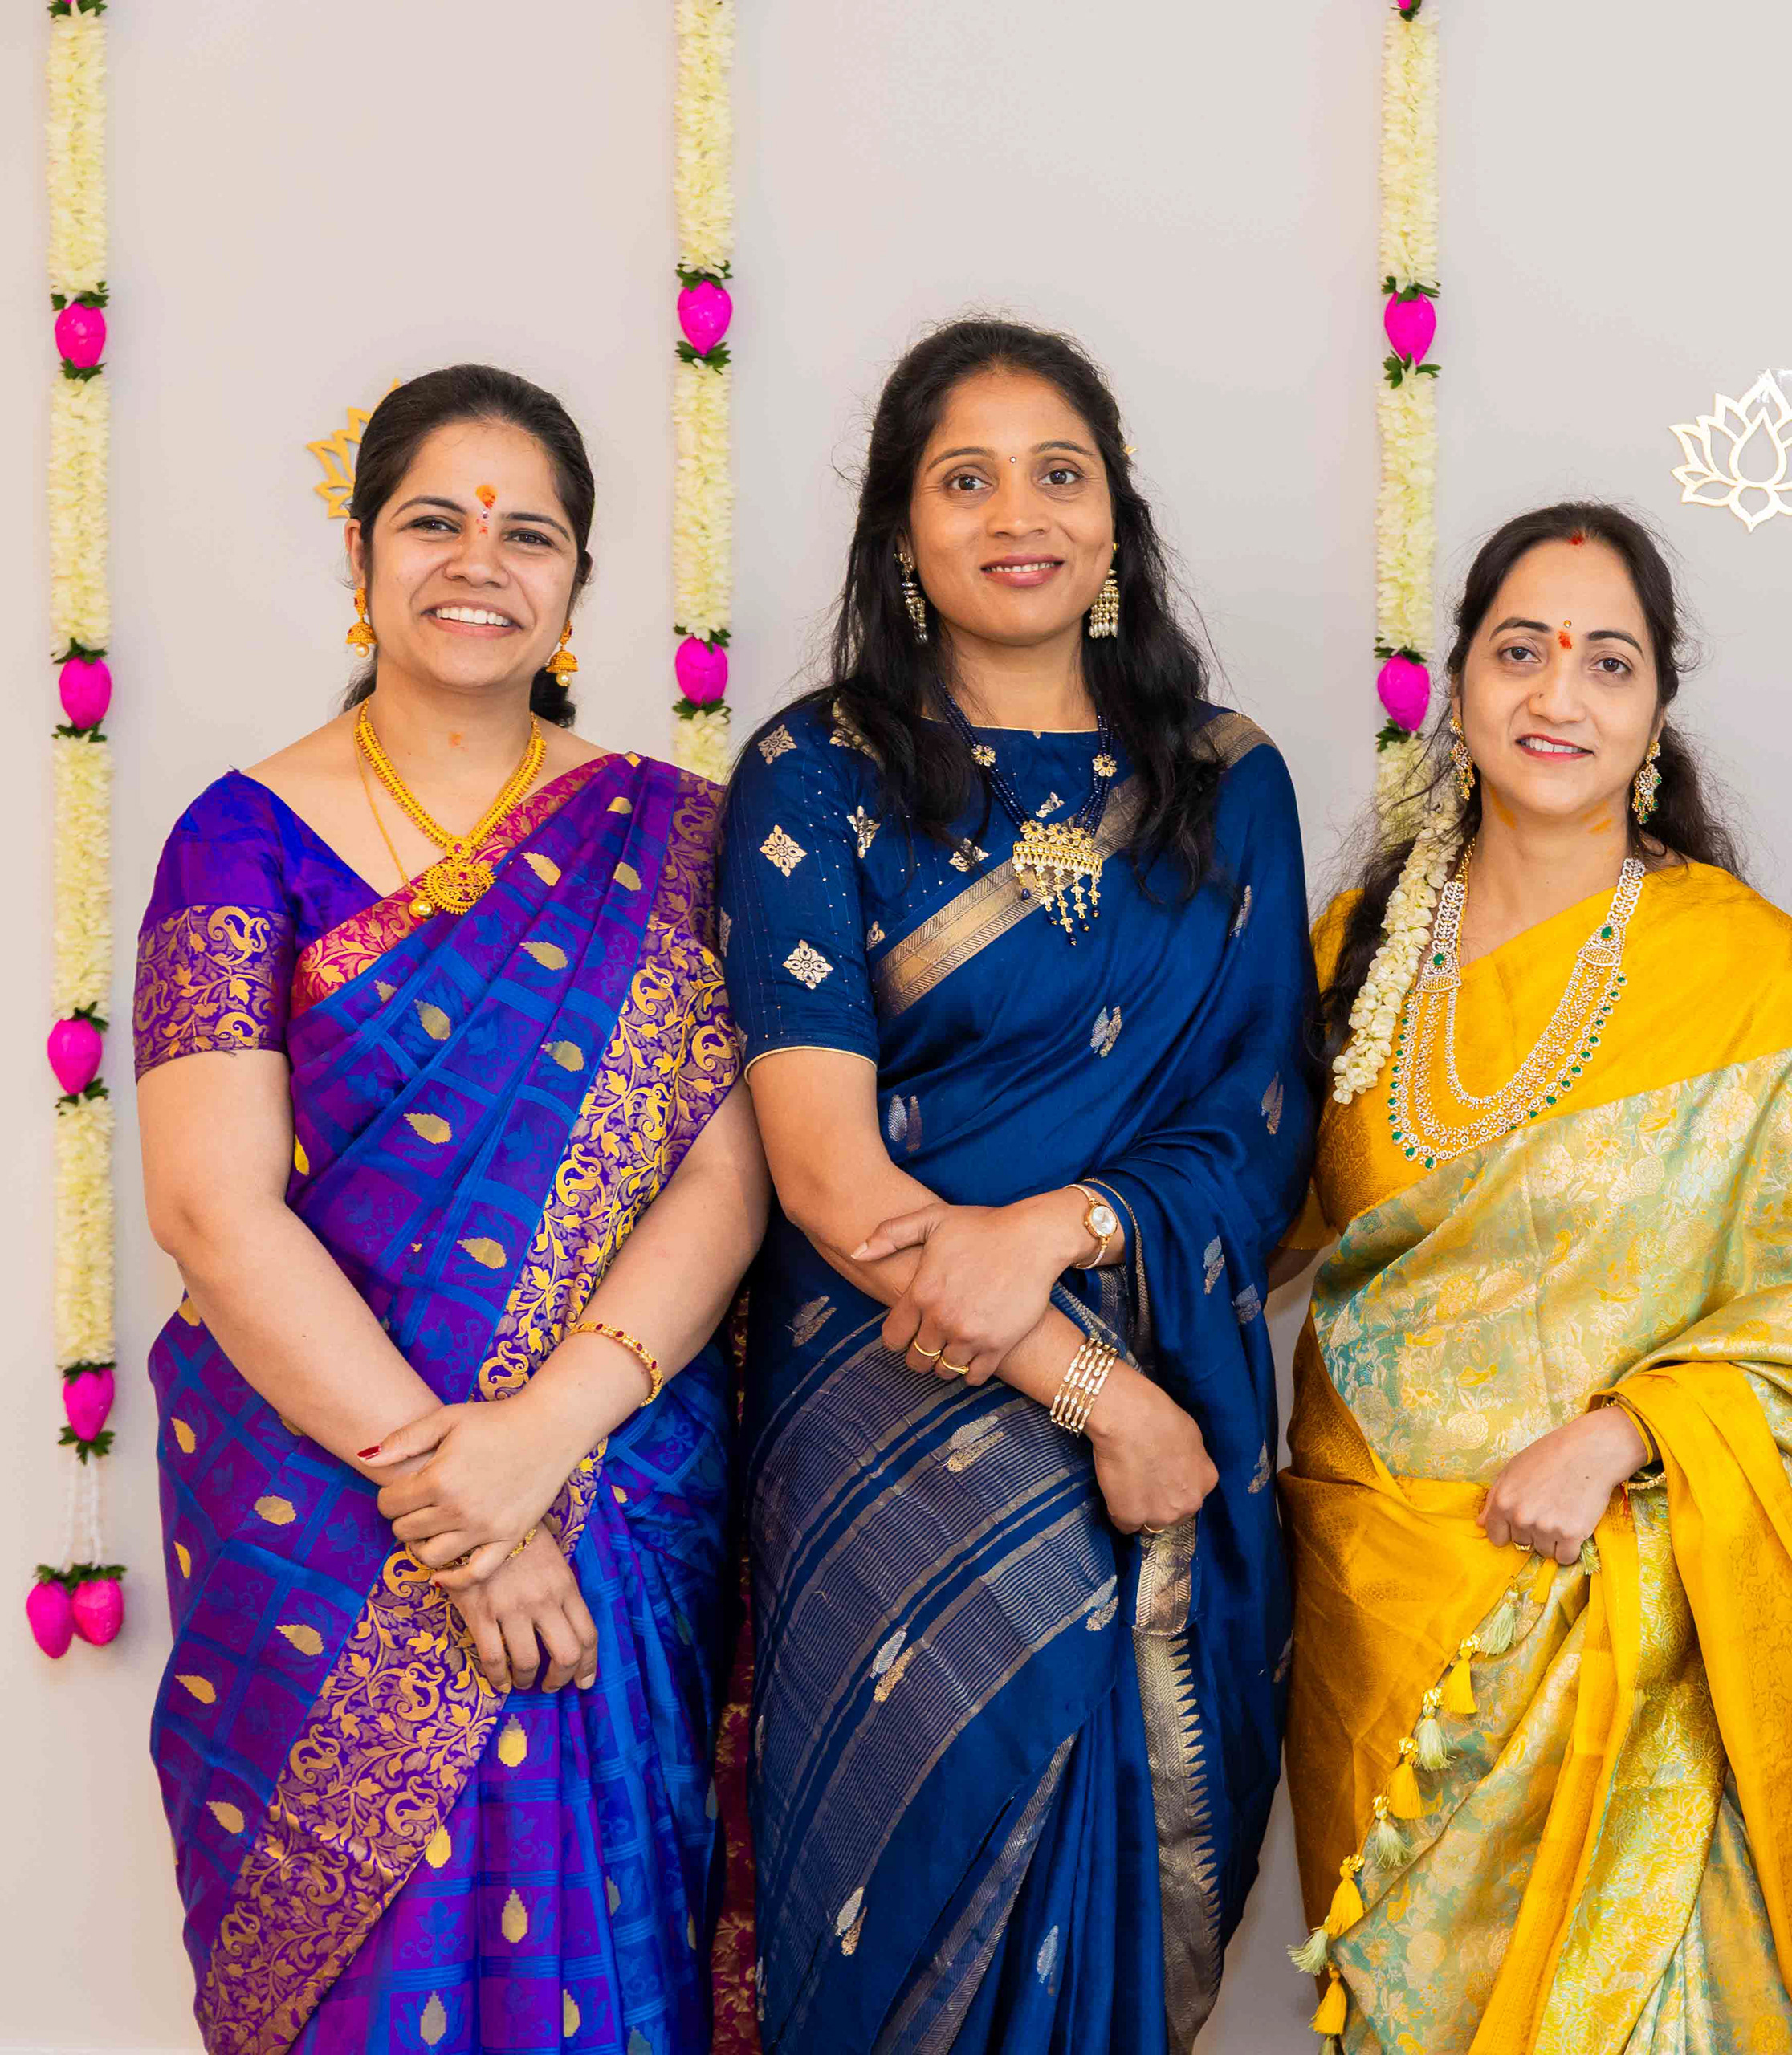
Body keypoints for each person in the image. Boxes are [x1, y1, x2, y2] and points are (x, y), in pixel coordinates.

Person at [135, 364, 763, 2054]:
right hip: (326, 1509)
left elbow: (729, 1171)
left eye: (529, 533)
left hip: (608, 1481)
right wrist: (457, 1502)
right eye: (433, 521)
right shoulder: (236, 840)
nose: (480, 561)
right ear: (359, 559)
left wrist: (539, 1441)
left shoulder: (679, 840)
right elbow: (210, 1209)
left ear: (575, 585)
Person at [719, 319, 1313, 2054]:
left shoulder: (1226, 781)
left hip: (1154, 1377)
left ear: (1115, 517)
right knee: (895, 1884)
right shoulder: (812, 773)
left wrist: (1062, 1229)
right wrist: (1097, 1389)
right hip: (883, 1412)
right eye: (962, 480)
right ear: (901, 534)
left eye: (1058, 473)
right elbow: (827, 1171)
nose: (1016, 514)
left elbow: (1264, 1122)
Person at [1277, 501, 1792, 2053]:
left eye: (1608, 662)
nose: (1559, 695)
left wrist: (1626, 1435)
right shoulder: (1355, 947)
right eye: (1521, 652)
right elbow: (1246, 1218)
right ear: (1459, 683)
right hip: (1379, 1600)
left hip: (1631, 1612)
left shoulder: (1747, 973)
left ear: (1657, 708)